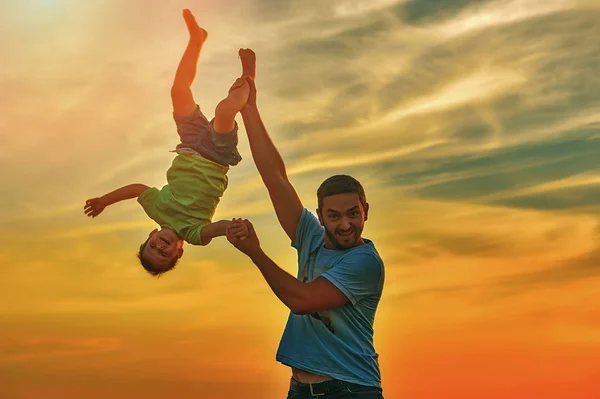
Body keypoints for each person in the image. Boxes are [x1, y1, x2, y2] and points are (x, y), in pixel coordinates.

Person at [227, 50, 385, 398]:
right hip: (301, 390)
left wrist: (255, 253)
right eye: (334, 215)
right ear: (321, 215)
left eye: (353, 213)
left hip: (351, 391)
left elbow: (301, 299)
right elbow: (276, 178)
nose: (346, 224)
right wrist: (249, 109)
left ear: (365, 211)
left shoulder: (364, 263)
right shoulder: (311, 237)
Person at [83, 9, 250, 276]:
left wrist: (104, 200)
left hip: (190, 142)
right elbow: (216, 229)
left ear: (150, 236)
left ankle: (196, 40)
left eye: (153, 247)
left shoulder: (155, 208)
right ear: (179, 251)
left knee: (178, 91)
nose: (160, 247)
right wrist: (233, 228)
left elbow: (137, 188)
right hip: (217, 156)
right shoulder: (193, 234)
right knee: (224, 111)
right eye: (165, 254)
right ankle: (247, 84)